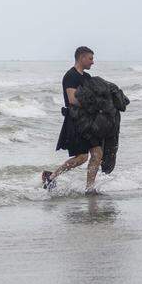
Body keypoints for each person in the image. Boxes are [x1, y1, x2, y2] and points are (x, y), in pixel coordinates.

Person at [43, 47, 103, 193]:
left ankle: (90, 188)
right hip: (76, 121)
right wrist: (92, 103)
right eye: (90, 58)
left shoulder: (87, 77)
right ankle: (52, 176)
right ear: (81, 58)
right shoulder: (71, 76)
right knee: (82, 157)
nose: (93, 62)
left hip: (89, 121)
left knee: (97, 153)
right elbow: (72, 100)